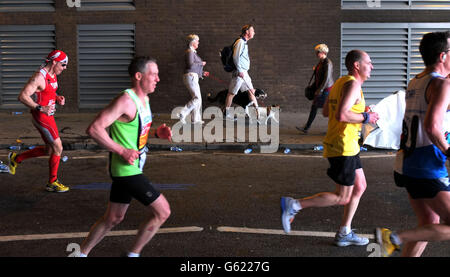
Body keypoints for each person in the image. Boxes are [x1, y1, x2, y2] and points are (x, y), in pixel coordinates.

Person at [281, 50, 379, 247]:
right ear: (357, 66)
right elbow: (342, 115)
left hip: (346, 144)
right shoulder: (353, 84)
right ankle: (295, 205)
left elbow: (327, 111)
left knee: (360, 186)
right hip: (344, 147)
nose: (372, 66)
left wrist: (359, 112)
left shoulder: (339, 83)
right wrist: (367, 117)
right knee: (342, 197)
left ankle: (345, 231)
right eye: (368, 62)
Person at [79, 56, 172, 257]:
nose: (157, 79)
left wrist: (155, 133)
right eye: (153, 74)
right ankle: (133, 255)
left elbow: (132, 131)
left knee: (113, 218)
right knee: (163, 212)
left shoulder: (144, 100)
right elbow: (94, 129)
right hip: (126, 170)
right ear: (139, 76)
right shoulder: (126, 101)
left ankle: (80, 254)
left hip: (132, 167)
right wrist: (121, 151)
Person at [376, 31, 450, 257]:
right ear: (443, 56)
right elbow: (431, 126)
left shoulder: (416, 80)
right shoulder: (442, 85)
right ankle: (394, 237)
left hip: (407, 163)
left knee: (429, 222)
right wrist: (448, 152)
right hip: (425, 166)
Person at [8, 50, 69, 193]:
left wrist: (57, 98)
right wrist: (40, 108)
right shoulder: (39, 77)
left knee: (49, 149)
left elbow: (48, 92)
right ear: (54, 62)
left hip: (48, 117)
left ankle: (17, 158)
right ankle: (52, 182)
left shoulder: (53, 74)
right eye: (63, 64)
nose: (65, 68)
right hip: (42, 118)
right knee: (58, 147)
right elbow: (23, 96)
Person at [224, 24, 259, 120]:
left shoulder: (244, 43)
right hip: (239, 73)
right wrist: (239, 70)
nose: (254, 32)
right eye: (253, 30)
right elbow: (236, 57)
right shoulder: (240, 42)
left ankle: (258, 114)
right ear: (247, 32)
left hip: (244, 72)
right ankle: (225, 114)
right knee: (231, 93)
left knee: (251, 91)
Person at [297, 44, 334, 134]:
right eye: (316, 52)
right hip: (322, 89)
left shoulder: (327, 63)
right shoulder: (321, 62)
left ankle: (307, 128)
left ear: (323, 52)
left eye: (318, 52)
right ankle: (332, 129)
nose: (316, 54)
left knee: (325, 109)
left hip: (326, 90)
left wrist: (319, 90)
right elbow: (317, 77)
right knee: (326, 109)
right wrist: (313, 87)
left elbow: (326, 79)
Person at [178, 34, 209, 124]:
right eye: (197, 41)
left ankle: (195, 119)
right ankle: (182, 113)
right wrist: (201, 64)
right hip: (190, 76)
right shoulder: (189, 52)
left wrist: (202, 73)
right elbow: (190, 65)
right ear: (193, 42)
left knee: (198, 99)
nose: (198, 43)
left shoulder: (192, 52)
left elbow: (192, 66)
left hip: (192, 76)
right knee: (197, 98)